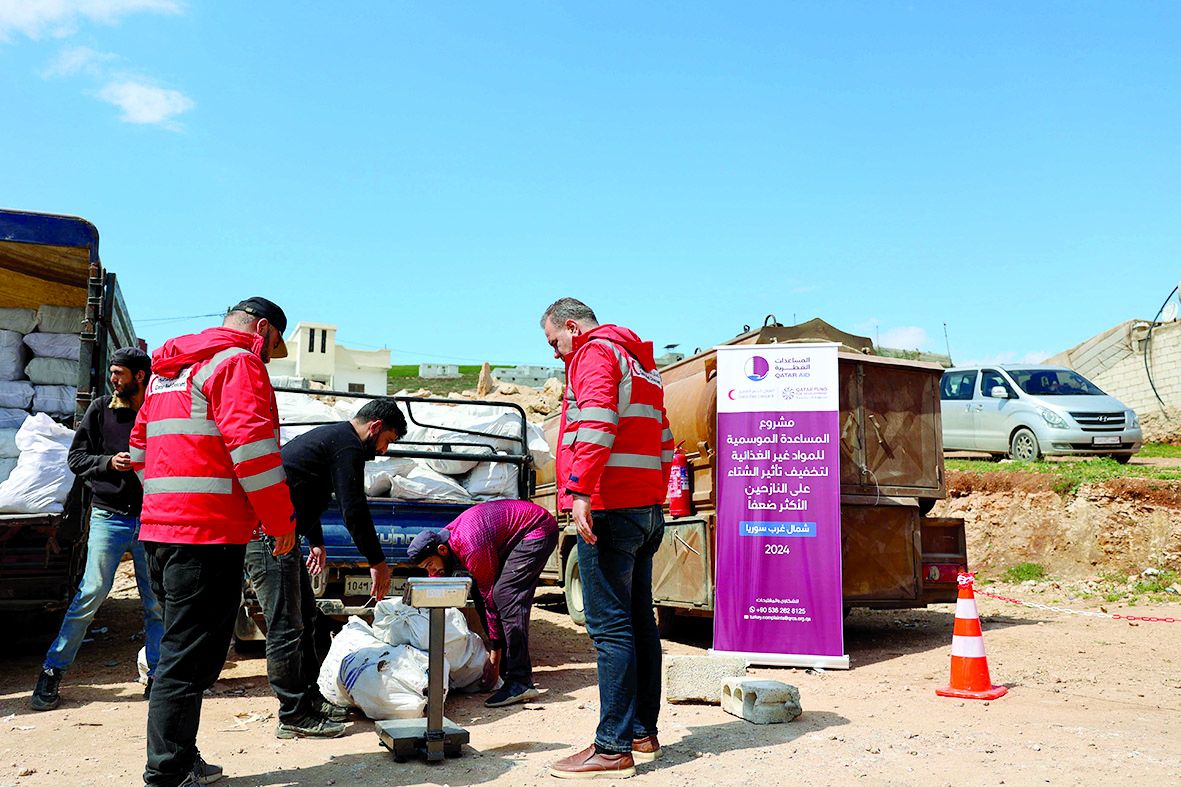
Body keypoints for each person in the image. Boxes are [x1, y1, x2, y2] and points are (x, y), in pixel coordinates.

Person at [130, 298, 297, 787]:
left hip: (161, 532)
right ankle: (168, 772)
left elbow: (139, 451)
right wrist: (279, 520)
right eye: (272, 348)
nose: (267, 358)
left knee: (184, 652)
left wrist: (169, 506)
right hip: (208, 537)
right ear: (263, 330)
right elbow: (254, 450)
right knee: (189, 659)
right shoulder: (238, 361)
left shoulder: (168, 372)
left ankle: (181, 755)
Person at [539, 298, 674, 780]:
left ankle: (612, 747)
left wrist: (578, 492)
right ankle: (642, 732)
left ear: (571, 326)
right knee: (640, 623)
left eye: (554, 341)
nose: (556, 353)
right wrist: (654, 498)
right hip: (644, 510)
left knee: (610, 629)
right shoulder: (642, 365)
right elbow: (665, 440)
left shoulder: (595, 354)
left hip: (608, 508)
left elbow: (596, 424)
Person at [246, 397, 406, 738]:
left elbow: (303, 489)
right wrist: (377, 562)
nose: (382, 450)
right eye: (386, 441)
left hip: (283, 534)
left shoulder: (335, 439)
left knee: (307, 619)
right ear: (375, 427)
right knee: (287, 628)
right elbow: (353, 508)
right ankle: (293, 715)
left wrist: (315, 540)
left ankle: (310, 700)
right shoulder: (346, 445)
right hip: (266, 537)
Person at [30, 348, 163, 712]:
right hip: (110, 516)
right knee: (90, 594)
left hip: (152, 518)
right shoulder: (102, 408)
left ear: (139, 376)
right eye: (112, 372)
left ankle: (157, 677)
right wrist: (108, 462)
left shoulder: (159, 410)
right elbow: (76, 458)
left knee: (155, 602)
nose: (113, 378)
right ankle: (52, 672)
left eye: (119, 373)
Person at [406, 499, 559, 707]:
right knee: (481, 593)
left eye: (430, 565)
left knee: (504, 596)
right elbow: (480, 594)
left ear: (442, 551)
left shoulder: (469, 547)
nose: (431, 572)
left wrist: (493, 656)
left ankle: (520, 681)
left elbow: (490, 601)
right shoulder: (447, 541)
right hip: (515, 535)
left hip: (537, 529)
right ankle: (508, 668)